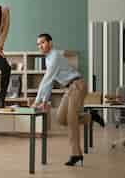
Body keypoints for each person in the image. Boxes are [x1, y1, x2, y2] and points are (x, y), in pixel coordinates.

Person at [32, 33, 104, 166]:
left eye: (42, 42)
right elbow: (50, 81)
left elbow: (46, 80)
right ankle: (90, 116)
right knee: (60, 118)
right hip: (69, 88)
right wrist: (44, 101)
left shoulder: (55, 56)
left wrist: (37, 100)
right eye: (38, 44)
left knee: (71, 120)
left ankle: (76, 154)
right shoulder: (48, 59)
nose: (40, 46)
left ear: (50, 43)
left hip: (77, 85)